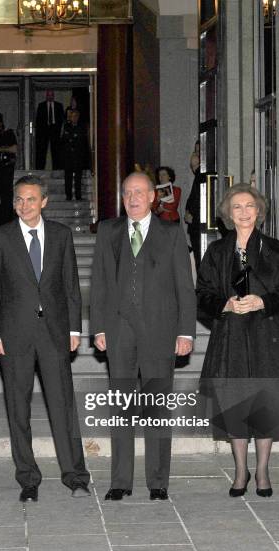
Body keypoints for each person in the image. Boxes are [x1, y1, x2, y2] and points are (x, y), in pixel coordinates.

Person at [0, 175, 90, 502]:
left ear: (44, 201)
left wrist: (74, 329)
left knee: (63, 407)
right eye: (19, 199)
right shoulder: (1, 237)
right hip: (14, 335)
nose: (23, 205)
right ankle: (28, 478)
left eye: (30, 199)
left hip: (55, 333)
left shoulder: (61, 235)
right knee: (18, 409)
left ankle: (75, 476)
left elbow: (71, 287)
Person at [90, 172, 196, 501]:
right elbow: (99, 282)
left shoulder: (171, 232)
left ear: (152, 196)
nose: (132, 198)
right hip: (120, 330)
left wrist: (186, 331)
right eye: (127, 193)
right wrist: (99, 326)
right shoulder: (108, 231)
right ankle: (120, 481)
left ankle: (158, 482)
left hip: (160, 332)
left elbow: (185, 286)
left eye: (139, 192)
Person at [197, 183, 279, 498]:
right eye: (237, 207)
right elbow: (203, 295)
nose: (243, 212)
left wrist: (263, 301)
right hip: (231, 337)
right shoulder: (216, 252)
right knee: (236, 402)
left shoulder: (276, 249)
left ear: (259, 211)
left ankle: (263, 471)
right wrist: (225, 304)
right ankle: (241, 470)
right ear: (228, 213)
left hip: (267, 335)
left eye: (249, 206)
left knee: (265, 402)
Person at [62, 109, 89, 201]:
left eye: (76, 116)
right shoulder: (66, 126)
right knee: (68, 177)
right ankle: (68, 195)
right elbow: (65, 139)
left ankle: (78, 195)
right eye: (73, 116)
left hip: (78, 156)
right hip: (68, 156)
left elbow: (81, 141)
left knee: (78, 177)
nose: (74, 118)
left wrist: (73, 138)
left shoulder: (81, 127)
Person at [35, 90, 64, 170]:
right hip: (44, 130)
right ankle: (40, 169)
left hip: (55, 130)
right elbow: (38, 120)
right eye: (49, 95)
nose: (50, 97)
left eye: (51, 95)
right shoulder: (41, 105)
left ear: (53, 96)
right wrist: (39, 133)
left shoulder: (59, 105)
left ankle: (57, 169)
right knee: (42, 151)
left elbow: (62, 119)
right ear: (46, 96)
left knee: (56, 151)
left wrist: (60, 130)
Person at [185, 141, 202, 270]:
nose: (195, 155)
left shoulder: (202, 175)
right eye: (195, 152)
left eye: (198, 152)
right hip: (195, 224)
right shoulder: (198, 176)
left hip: (199, 223)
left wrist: (192, 213)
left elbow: (198, 199)